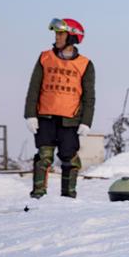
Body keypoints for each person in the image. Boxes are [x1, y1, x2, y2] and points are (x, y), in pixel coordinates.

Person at [24, 18, 94, 199]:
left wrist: (86, 121)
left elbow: (89, 96)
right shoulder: (45, 58)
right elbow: (34, 88)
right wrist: (30, 115)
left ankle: (68, 198)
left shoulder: (85, 64)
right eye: (56, 33)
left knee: (70, 160)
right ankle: (38, 196)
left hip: (70, 121)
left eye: (61, 33)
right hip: (45, 117)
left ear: (72, 37)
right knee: (43, 157)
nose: (57, 37)